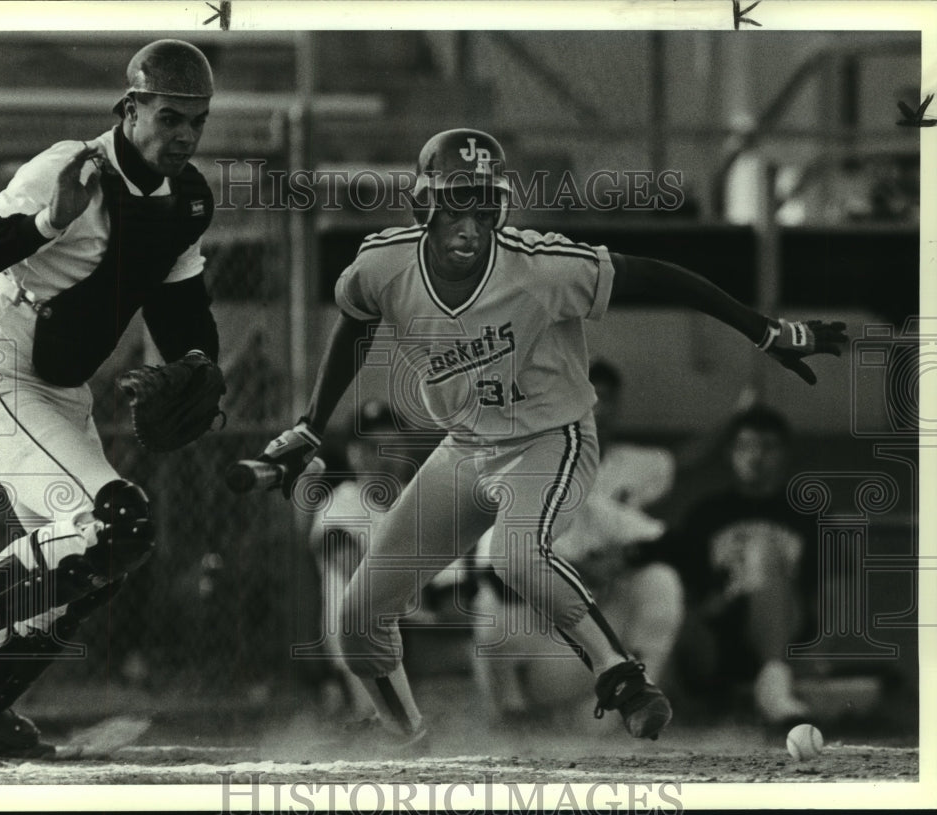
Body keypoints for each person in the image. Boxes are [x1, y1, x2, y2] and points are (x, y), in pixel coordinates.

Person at [261, 128, 846, 747]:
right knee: (357, 619)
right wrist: (310, 425)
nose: (470, 225)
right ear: (422, 204)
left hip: (550, 437)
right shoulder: (383, 266)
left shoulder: (540, 268)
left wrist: (763, 330)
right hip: (466, 447)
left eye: (485, 205)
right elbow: (355, 324)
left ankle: (622, 677)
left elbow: (658, 276)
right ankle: (406, 737)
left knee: (515, 553)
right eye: (455, 204)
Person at [0, 39, 221, 757]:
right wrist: (46, 224)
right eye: (170, 118)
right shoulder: (69, 167)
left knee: (98, 568)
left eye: (197, 121)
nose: (186, 135)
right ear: (130, 109)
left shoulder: (185, 199)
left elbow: (180, 312)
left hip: (58, 384)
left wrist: (200, 366)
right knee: (114, 525)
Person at [469, 359, 684, 727]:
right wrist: (580, 571)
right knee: (488, 604)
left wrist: (622, 556)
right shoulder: (515, 500)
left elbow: (671, 543)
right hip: (535, 658)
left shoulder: (590, 506)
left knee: (661, 580)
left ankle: (639, 699)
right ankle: (509, 715)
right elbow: (491, 577)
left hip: (589, 663)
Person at [642, 406, 819, 725]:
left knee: (762, 551)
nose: (757, 457)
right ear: (730, 453)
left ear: (785, 453)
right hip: (716, 640)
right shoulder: (706, 513)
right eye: (746, 446)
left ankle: (773, 682)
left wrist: (823, 654)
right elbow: (681, 594)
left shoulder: (808, 516)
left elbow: (835, 591)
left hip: (785, 633)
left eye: (768, 447)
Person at [307, 401, 417, 719]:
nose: (382, 457)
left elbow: (451, 583)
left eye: (392, 446)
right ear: (353, 453)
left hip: (418, 630)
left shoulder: (420, 500)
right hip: (363, 636)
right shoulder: (340, 502)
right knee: (386, 724)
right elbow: (358, 576)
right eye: (371, 447)